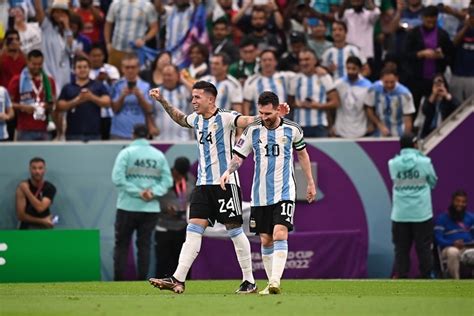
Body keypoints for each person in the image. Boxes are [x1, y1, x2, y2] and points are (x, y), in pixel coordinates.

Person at [148, 81, 288, 294]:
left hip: (225, 184)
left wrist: (269, 115)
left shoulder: (226, 117)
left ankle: (249, 280)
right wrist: (162, 101)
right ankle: (178, 279)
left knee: (235, 230)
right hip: (203, 185)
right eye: (192, 97)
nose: (193, 101)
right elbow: (179, 118)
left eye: (197, 97)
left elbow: (247, 120)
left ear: (210, 99)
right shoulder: (195, 119)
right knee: (193, 230)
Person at [220, 91, 316, 294]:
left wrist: (310, 183)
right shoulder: (253, 130)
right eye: (261, 113)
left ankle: (274, 282)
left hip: (285, 191)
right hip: (260, 195)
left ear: (277, 109)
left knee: (280, 233)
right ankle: (270, 282)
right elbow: (239, 156)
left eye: (268, 113)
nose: (264, 117)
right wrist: (227, 172)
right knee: (265, 239)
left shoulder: (293, 129)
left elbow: (303, 155)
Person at [111, 124, 173, 281]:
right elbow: (167, 181)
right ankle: (141, 280)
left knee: (122, 245)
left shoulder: (126, 153)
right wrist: (152, 192)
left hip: (127, 206)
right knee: (144, 246)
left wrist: (137, 192)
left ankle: (118, 281)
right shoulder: (158, 155)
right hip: (150, 208)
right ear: (148, 135)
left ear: (133, 134)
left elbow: (117, 178)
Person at [389, 133, 438, 278]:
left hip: (400, 214)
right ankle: (425, 278)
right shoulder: (425, 162)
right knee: (424, 248)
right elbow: (433, 182)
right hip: (421, 213)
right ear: (415, 144)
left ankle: (403, 279)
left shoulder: (392, 163)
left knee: (401, 249)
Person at [155, 157, 195, 278]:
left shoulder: (192, 180)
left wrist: (187, 208)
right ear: (174, 170)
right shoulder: (164, 180)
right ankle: (160, 284)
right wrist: (165, 208)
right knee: (163, 262)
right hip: (164, 226)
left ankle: (183, 285)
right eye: (178, 174)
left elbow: (193, 198)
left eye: (183, 174)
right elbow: (155, 197)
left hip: (183, 227)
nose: (180, 177)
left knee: (183, 261)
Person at [57, 56, 111, 141]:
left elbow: (107, 102)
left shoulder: (98, 85)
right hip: (73, 133)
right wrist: (77, 100)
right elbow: (60, 106)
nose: (82, 70)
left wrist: (91, 97)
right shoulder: (68, 87)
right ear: (74, 70)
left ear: (89, 69)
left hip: (94, 133)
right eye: (79, 67)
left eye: (85, 67)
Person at [289, 48, 339, 138]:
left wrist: (318, 106)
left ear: (315, 61)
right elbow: (290, 103)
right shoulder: (295, 79)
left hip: (320, 126)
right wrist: (299, 104)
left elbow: (335, 102)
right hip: (299, 127)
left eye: (307, 59)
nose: (304, 63)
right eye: (301, 60)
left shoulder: (324, 77)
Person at [9, 49, 56, 141]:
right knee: (24, 155)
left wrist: (48, 105)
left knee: (45, 155)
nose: (37, 67)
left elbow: (53, 103)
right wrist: (22, 107)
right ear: (27, 61)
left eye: (40, 64)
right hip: (24, 129)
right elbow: (9, 104)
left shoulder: (49, 81)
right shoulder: (17, 80)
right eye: (34, 64)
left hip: (45, 129)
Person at [110, 53, 156, 140]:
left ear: (138, 68)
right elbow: (114, 109)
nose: (130, 70)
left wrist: (140, 96)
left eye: (133, 67)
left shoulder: (146, 86)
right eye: (127, 67)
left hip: (140, 132)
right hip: (118, 132)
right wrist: (122, 96)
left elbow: (150, 109)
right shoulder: (116, 85)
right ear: (122, 68)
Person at [104, 0, 158, 70]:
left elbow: (154, 27)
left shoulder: (147, 5)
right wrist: (108, 43)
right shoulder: (116, 3)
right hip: (116, 49)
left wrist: (144, 39)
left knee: (134, 78)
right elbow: (108, 24)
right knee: (113, 76)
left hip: (136, 52)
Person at [365, 67, 415, 137]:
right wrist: (378, 124)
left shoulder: (405, 94)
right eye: (386, 82)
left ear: (397, 79)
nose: (389, 85)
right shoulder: (374, 89)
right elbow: (368, 108)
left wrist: (406, 140)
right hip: (379, 132)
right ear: (381, 79)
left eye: (392, 82)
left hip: (399, 133)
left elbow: (408, 120)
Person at [434, 190, 474, 279]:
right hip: (449, 248)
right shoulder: (442, 218)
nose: (460, 204)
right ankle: (456, 283)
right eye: (457, 201)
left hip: (468, 248)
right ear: (452, 201)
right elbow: (438, 239)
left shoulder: (471, 217)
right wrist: (452, 243)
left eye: (463, 202)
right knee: (453, 252)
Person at [333, 56, 372, 138]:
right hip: (341, 129)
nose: (350, 71)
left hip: (360, 129)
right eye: (348, 68)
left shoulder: (368, 86)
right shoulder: (338, 84)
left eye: (354, 69)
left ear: (360, 69)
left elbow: (368, 108)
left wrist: (370, 124)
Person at [16, 157, 57, 230]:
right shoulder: (21, 187)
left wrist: (27, 191)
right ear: (30, 169)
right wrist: (42, 221)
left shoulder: (49, 187)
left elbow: (40, 208)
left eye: (40, 168)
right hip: (26, 229)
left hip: (44, 228)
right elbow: (21, 216)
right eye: (34, 168)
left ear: (44, 170)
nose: (37, 171)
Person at [420, 74, 459, 138]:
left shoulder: (449, 99)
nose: (438, 85)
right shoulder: (428, 99)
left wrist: (446, 95)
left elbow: (458, 108)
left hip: (446, 131)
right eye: (435, 83)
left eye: (440, 82)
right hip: (429, 133)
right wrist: (433, 95)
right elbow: (425, 110)